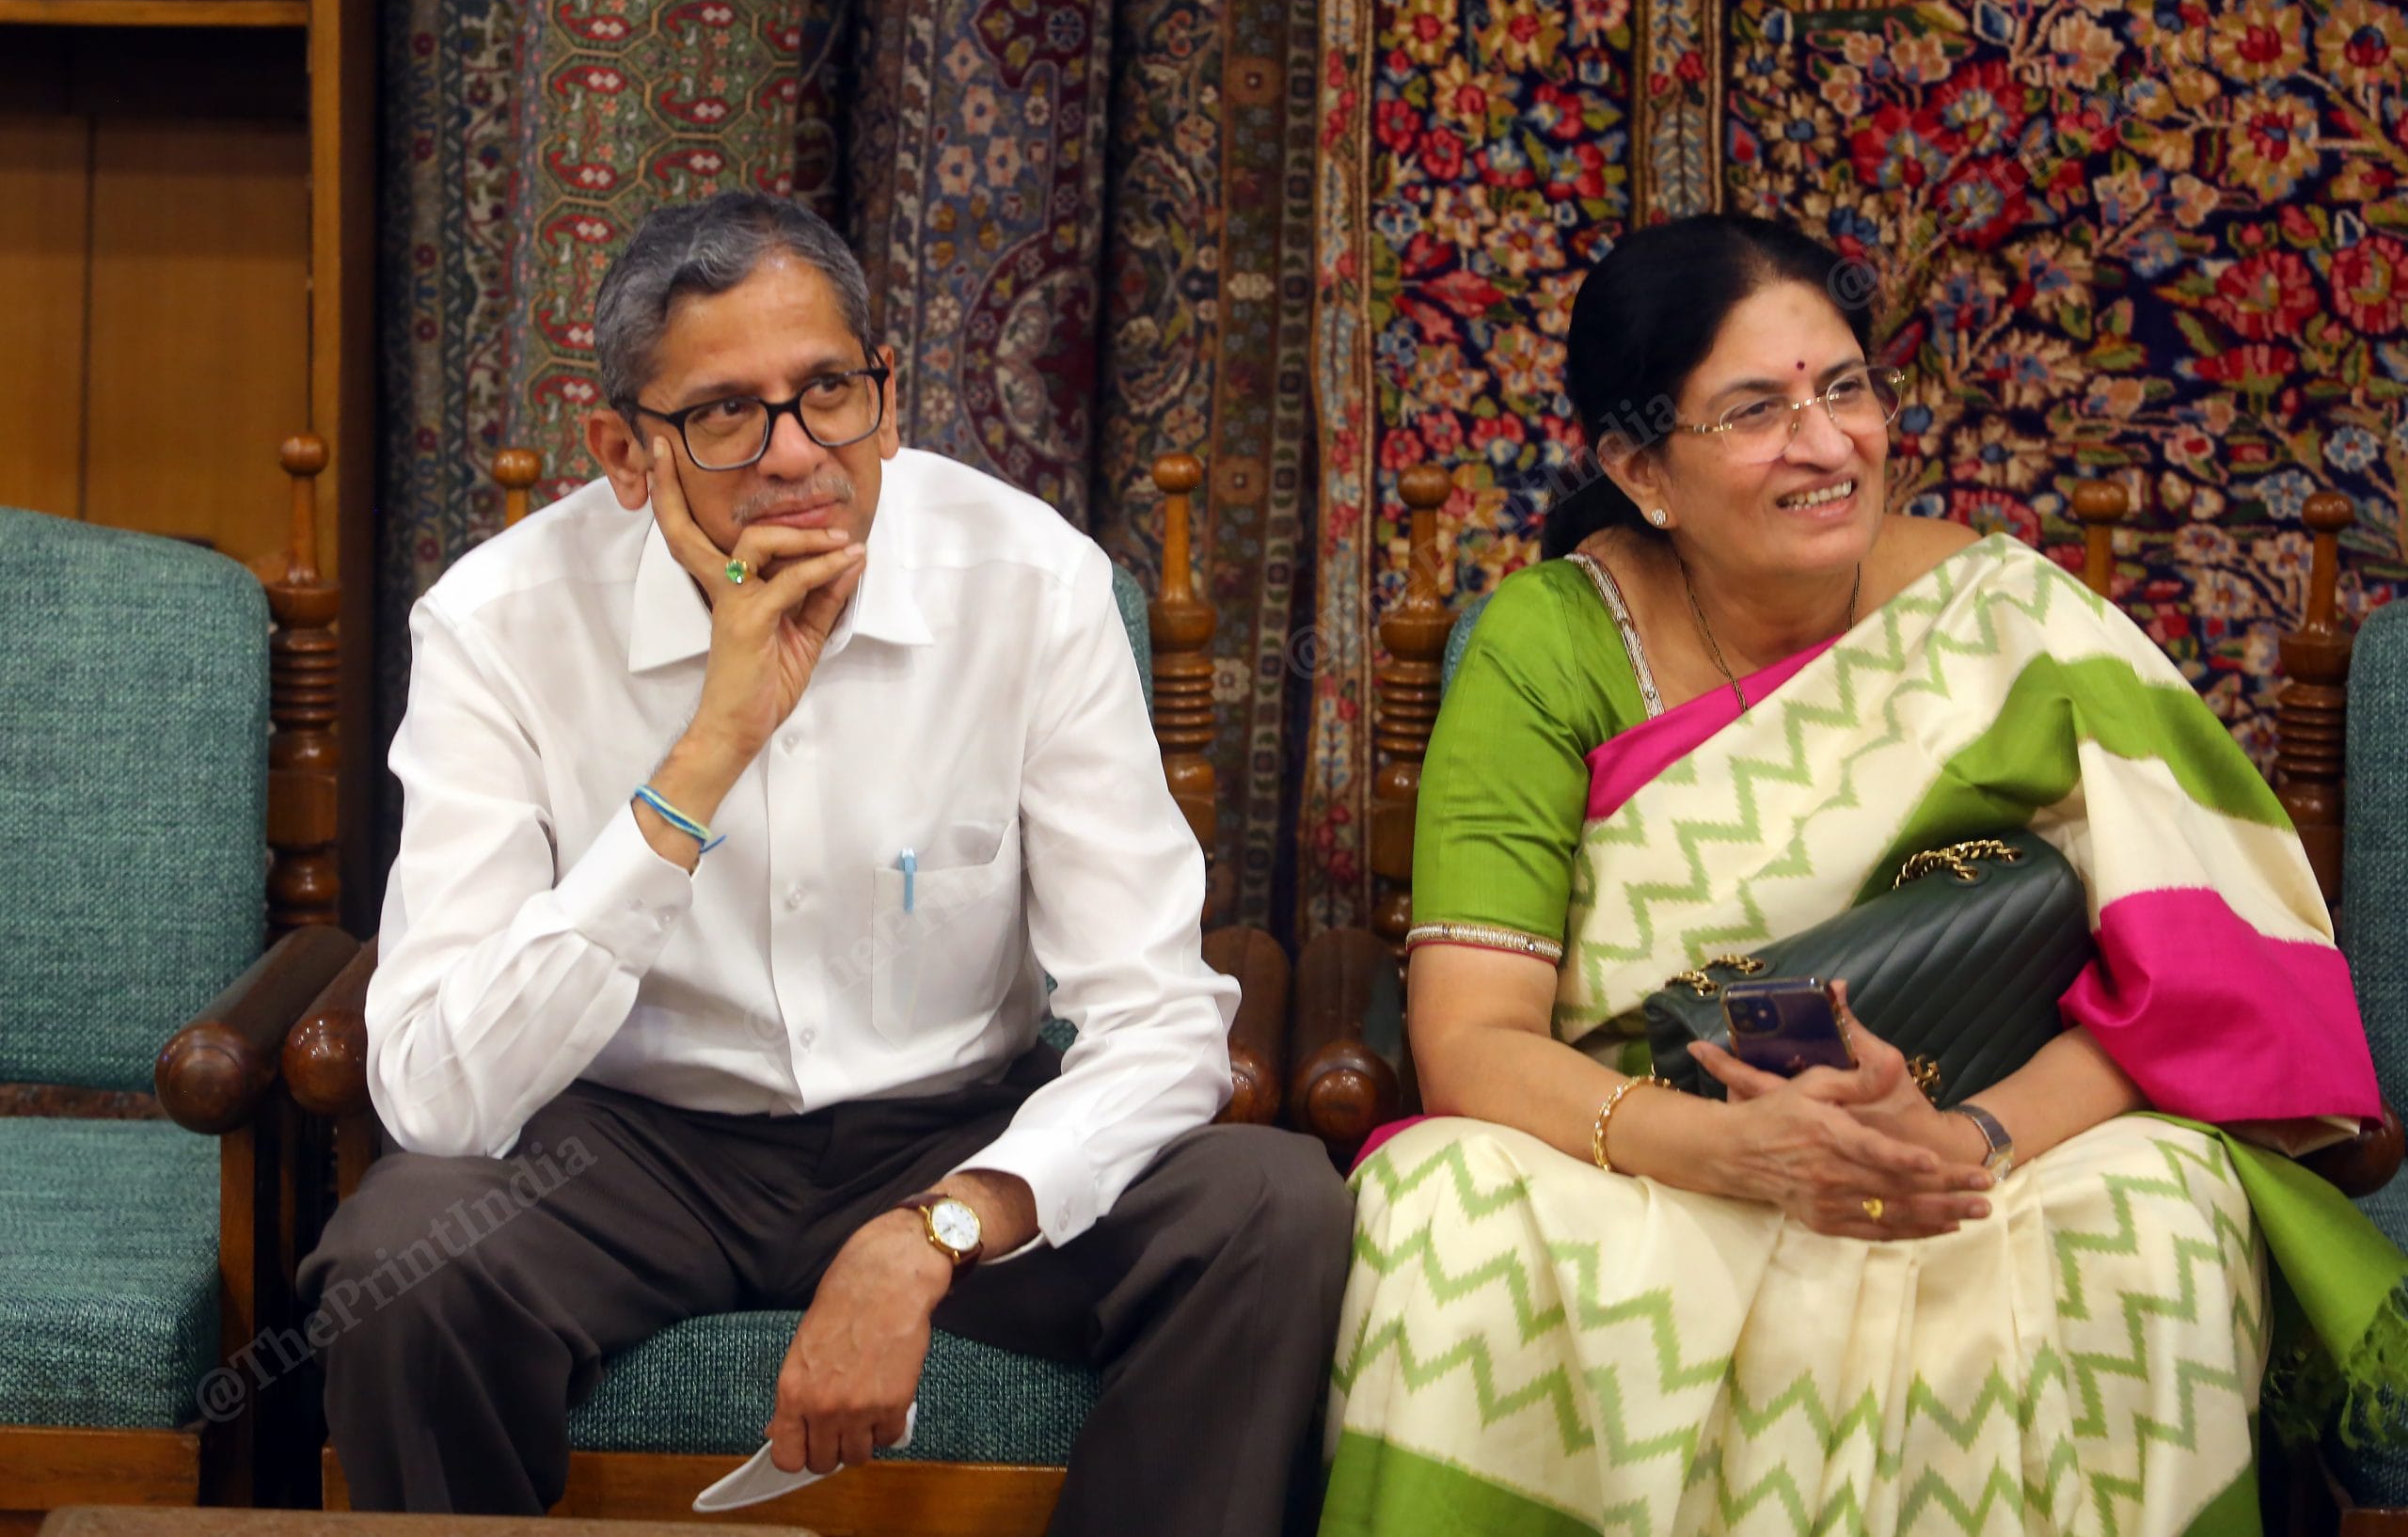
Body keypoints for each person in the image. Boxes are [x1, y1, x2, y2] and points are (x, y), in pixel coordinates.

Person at [1319, 214, 2404, 1535]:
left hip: (1983, 1143)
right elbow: (1471, 1041)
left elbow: (2195, 982)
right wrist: (1736, 1149)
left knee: (2157, 1212)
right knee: (1447, 1209)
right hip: (1648, 1150)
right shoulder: (1550, 646)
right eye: (1757, 411)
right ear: (1639, 467)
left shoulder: (2006, 619)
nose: (1829, 444)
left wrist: (1972, 1137)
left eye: (1845, 389)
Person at [300, 190, 1351, 1534]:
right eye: (727, 413)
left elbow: (1158, 1019)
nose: (799, 455)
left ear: (889, 402)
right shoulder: (500, 624)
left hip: (952, 1121)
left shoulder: (1029, 582)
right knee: (399, 1267)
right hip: (624, 1152)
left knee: (1271, 1214)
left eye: (829, 393)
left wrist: (940, 1231)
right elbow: (439, 1100)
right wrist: (707, 752)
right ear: (626, 452)